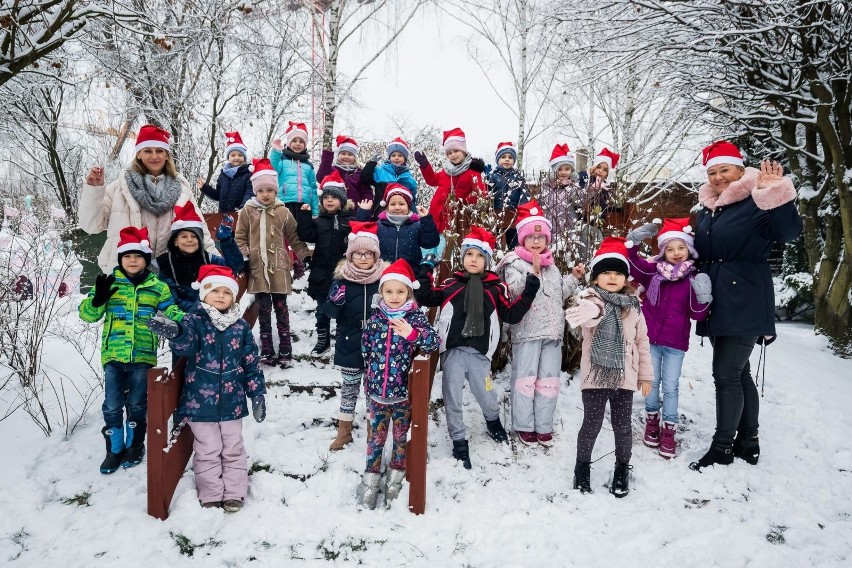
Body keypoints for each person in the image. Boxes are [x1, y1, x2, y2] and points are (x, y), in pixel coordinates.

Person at [689, 141, 802, 471]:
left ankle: (722, 448)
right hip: (718, 301)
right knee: (740, 374)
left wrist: (775, 195)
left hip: (745, 298)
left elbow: (789, 231)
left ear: (740, 170)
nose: (719, 177)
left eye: (724, 170)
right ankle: (748, 441)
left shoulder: (757, 199)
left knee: (725, 374)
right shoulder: (711, 210)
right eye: (712, 172)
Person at [415, 226, 540, 469]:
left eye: (480, 255)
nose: (474, 259)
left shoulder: (495, 288)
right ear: (463, 258)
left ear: (487, 260)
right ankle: (459, 440)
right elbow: (426, 296)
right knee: (452, 398)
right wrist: (425, 269)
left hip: (480, 356)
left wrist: (530, 288)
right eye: (469, 254)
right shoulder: (452, 284)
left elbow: (512, 314)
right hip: (453, 354)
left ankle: (493, 421)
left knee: (487, 394)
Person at [147, 264, 266, 513]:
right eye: (215, 291)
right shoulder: (194, 321)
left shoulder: (240, 327)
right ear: (204, 294)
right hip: (199, 401)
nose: (221, 296)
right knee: (208, 448)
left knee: (233, 447)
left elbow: (251, 362)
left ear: (233, 296)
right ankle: (211, 492)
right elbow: (186, 347)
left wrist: (256, 394)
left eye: (227, 292)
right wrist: (176, 332)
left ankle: (234, 492)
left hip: (232, 402)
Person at [78, 226, 184, 474]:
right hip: (113, 355)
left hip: (142, 355)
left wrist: (184, 323)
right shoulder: (109, 283)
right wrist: (96, 300)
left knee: (137, 404)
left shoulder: (157, 287)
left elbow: (171, 310)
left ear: (146, 260)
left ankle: (135, 446)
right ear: (121, 259)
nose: (132, 260)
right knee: (112, 405)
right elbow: (87, 315)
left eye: (138, 256)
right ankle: (114, 450)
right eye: (127, 256)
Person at [566, 236, 652, 498]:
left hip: (625, 377)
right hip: (595, 376)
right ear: (595, 279)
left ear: (625, 279)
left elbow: (642, 341)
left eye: (618, 273)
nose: (612, 278)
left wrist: (646, 375)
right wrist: (592, 311)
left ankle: (622, 468)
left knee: (622, 427)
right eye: (606, 273)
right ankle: (582, 469)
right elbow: (589, 318)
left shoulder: (634, 307)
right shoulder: (590, 301)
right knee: (591, 426)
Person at [496, 201, 584, 446]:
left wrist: (573, 280)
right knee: (525, 379)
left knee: (548, 380)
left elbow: (557, 295)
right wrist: (532, 273)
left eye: (541, 237)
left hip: (552, 333)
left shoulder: (552, 267)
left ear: (547, 241)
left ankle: (543, 425)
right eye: (531, 237)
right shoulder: (513, 263)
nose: (536, 242)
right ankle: (524, 425)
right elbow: (513, 293)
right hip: (527, 332)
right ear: (522, 239)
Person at [625, 218, 711, 458]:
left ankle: (669, 429)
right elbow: (632, 264)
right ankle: (652, 421)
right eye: (670, 249)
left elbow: (697, 314)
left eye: (680, 248)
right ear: (663, 251)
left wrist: (703, 296)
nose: (675, 253)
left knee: (671, 386)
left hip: (675, 343)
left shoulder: (693, 279)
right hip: (650, 339)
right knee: (651, 381)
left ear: (689, 250)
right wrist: (635, 238)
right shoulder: (653, 272)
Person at [79, 124, 217, 273]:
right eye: (147, 151)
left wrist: (216, 268)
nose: (154, 156)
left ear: (166, 155)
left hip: (170, 275)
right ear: (139, 154)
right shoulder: (118, 189)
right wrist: (94, 190)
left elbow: (200, 231)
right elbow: (91, 226)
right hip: (125, 275)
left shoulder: (182, 190)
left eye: (159, 151)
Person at [358, 259, 439, 509]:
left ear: (409, 293)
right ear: (381, 292)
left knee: (401, 437)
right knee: (377, 437)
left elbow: (433, 342)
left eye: (400, 292)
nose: (395, 297)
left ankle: (395, 474)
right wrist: (369, 378)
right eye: (389, 291)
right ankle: (371, 477)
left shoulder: (414, 318)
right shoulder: (375, 318)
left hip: (403, 394)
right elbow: (366, 348)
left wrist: (411, 335)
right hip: (377, 395)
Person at [235, 158, 311, 368]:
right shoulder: (247, 212)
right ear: (255, 191)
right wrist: (245, 253)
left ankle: (285, 348)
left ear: (276, 191)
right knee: (263, 310)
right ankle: (267, 348)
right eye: (261, 190)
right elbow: (240, 236)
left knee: (281, 308)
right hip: (258, 268)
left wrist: (304, 255)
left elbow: (294, 237)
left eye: (270, 189)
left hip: (278, 268)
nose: (265, 194)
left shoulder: (283, 212)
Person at [322, 221, 388, 450]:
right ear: (350, 256)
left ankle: (373, 430)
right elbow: (328, 314)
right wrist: (334, 300)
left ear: (375, 256)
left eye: (367, 253)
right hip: (349, 341)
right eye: (357, 253)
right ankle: (344, 431)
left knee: (373, 390)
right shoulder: (342, 280)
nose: (362, 257)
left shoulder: (384, 281)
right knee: (349, 388)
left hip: (377, 345)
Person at [296, 170, 355, 357]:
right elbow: (306, 235)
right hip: (321, 275)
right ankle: (323, 341)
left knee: (343, 311)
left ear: (342, 201)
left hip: (343, 275)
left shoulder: (350, 221)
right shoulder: (319, 221)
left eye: (334, 197)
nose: (329, 200)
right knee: (322, 311)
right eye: (326, 197)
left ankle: (342, 341)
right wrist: (304, 216)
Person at [155, 201, 244, 311]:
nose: (189, 240)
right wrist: (196, 310)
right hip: (180, 315)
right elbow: (170, 295)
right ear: (175, 241)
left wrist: (226, 241)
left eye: (194, 236)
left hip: (210, 312)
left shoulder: (208, 259)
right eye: (184, 236)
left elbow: (234, 266)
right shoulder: (165, 264)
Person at [416, 128, 488, 234]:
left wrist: (464, 201)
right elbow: (432, 180)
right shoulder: (446, 171)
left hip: (455, 222)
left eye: (456, 151)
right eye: (449, 153)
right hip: (436, 217)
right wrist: (425, 166)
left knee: (449, 249)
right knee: (433, 248)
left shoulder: (472, 172)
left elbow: (480, 194)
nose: (453, 155)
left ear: (463, 151)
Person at [354, 183, 440, 268]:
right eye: (392, 204)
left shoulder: (416, 226)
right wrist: (363, 213)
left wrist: (426, 220)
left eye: (401, 204)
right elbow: (361, 235)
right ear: (387, 207)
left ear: (408, 207)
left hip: (410, 274)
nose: (397, 207)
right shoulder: (379, 225)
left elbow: (431, 242)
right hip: (382, 274)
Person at [270, 120, 319, 218]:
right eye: (294, 141)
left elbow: (313, 188)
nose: (298, 144)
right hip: (285, 202)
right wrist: (275, 152)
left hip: (304, 205)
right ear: (288, 143)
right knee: (286, 231)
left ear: (305, 145)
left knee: (302, 231)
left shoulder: (308, 165)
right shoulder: (283, 160)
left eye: (301, 141)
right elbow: (274, 166)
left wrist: (315, 211)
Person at [197, 130, 254, 213]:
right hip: (223, 216)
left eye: (240, 155)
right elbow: (218, 195)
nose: (236, 158)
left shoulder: (248, 174)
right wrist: (204, 188)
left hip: (241, 214)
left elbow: (249, 193)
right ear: (228, 157)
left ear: (244, 158)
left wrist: (244, 208)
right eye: (233, 155)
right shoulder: (223, 175)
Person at [486, 141, 529, 248]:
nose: (507, 159)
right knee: (495, 241)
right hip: (496, 213)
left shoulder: (518, 177)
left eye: (510, 157)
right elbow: (487, 192)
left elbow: (524, 194)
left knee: (513, 242)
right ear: (498, 160)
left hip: (512, 214)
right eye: (503, 157)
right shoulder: (492, 176)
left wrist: (522, 208)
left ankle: (514, 257)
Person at [316, 134, 373, 204]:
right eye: (343, 153)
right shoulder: (332, 170)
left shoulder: (359, 173)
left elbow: (366, 193)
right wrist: (327, 156)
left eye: (350, 154)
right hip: (335, 210)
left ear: (354, 157)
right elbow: (320, 177)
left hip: (355, 212)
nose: (346, 157)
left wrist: (365, 210)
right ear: (338, 155)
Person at [363, 137, 418, 205]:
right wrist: (372, 163)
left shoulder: (409, 179)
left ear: (405, 158)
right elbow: (365, 179)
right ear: (389, 157)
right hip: (381, 212)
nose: (396, 158)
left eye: (400, 155)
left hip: (401, 213)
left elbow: (412, 201)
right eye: (393, 155)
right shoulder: (380, 172)